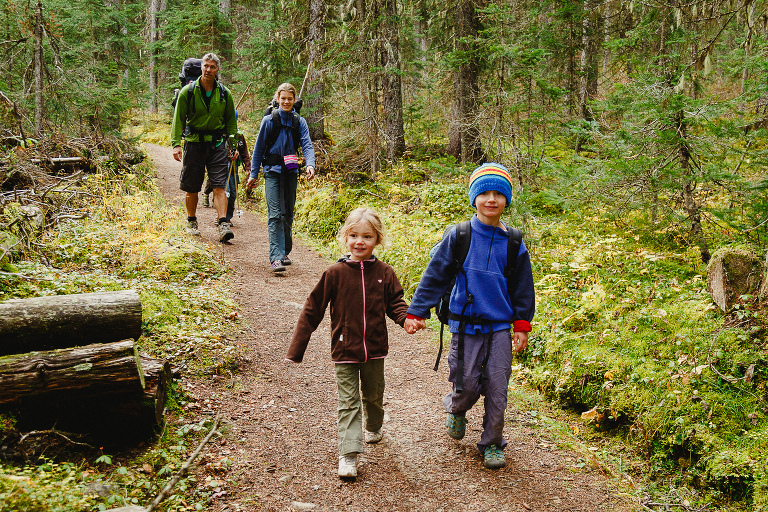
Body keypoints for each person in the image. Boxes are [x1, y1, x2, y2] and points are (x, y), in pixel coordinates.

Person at [404, 163, 535, 470]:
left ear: (506, 200)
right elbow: (435, 275)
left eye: (498, 194)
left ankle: (492, 443)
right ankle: (457, 408)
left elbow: (523, 288)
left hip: (499, 326)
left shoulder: (514, 242)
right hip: (464, 326)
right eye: (485, 193)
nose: (491, 199)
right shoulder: (459, 235)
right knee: (466, 384)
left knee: (497, 387)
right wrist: (418, 311)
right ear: (474, 198)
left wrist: (522, 324)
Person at [286, 208, 415, 478]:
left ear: (377, 240)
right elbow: (312, 310)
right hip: (344, 348)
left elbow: (396, 303)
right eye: (354, 235)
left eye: (367, 236)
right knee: (348, 402)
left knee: (373, 396)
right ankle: (348, 453)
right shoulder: (334, 273)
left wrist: (406, 320)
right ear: (345, 237)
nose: (360, 241)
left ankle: (374, 425)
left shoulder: (385, 272)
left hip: (375, 349)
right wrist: (297, 349)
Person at [247, 82, 315, 272]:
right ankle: (276, 257)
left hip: (291, 172)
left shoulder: (299, 122)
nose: (286, 102)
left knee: (287, 214)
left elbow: (307, 145)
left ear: (294, 100)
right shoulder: (268, 121)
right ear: (277, 99)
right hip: (272, 172)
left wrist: (310, 164)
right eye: (283, 98)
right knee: (275, 214)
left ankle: (284, 251)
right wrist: (253, 174)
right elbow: (258, 149)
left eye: (289, 99)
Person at [170, 53, 238, 243]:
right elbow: (178, 119)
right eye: (206, 66)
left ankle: (223, 223)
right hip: (194, 143)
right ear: (201, 67)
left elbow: (231, 123)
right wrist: (176, 144)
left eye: (212, 67)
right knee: (192, 187)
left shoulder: (224, 93)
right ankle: (192, 221)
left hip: (217, 144)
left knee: (219, 186)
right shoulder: (188, 92)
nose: (208, 70)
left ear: (217, 70)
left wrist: (233, 146)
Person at [203, 130, 251, 224]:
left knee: (232, 193)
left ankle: (227, 217)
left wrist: (248, 166)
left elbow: (243, 151)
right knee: (224, 191)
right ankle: (221, 217)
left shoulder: (238, 135)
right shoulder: (218, 131)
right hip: (220, 164)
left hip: (233, 166)